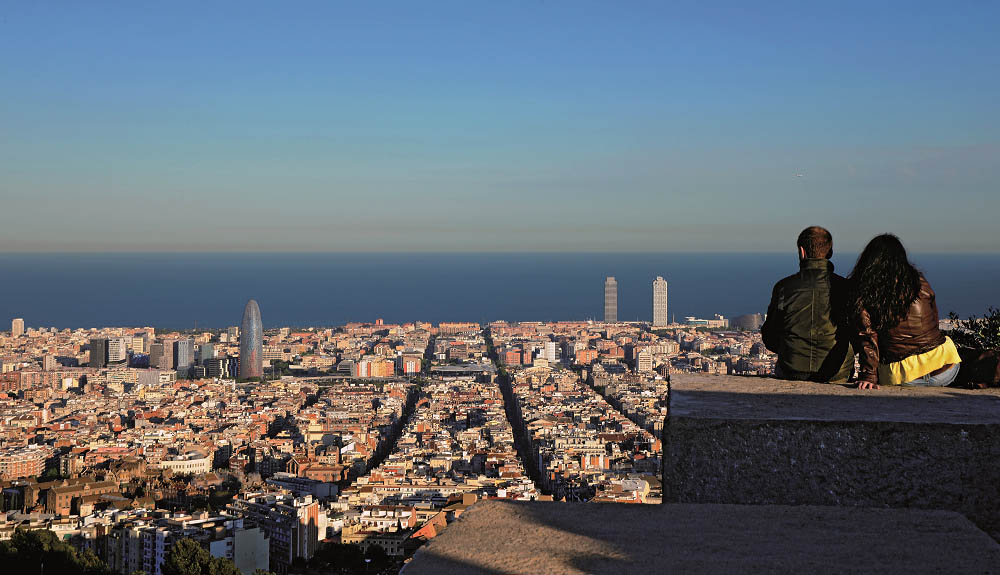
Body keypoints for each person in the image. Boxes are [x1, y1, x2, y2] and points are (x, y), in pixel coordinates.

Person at [849, 234, 961, 389]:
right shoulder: (919, 281)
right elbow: (934, 319)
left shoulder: (866, 291)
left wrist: (868, 375)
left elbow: (868, 336)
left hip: (905, 377)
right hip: (945, 369)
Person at [761, 226, 854, 383]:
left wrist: (789, 350)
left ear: (801, 251)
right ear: (830, 252)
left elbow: (770, 334)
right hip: (836, 372)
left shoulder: (784, 287)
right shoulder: (847, 288)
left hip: (792, 369)